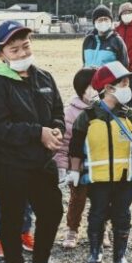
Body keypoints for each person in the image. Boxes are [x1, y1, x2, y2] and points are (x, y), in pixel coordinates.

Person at [0, 20, 72, 263]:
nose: (22, 54)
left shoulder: (43, 77)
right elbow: (0, 127)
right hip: (10, 161)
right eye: (14, 50)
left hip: (41, 160)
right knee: (12, 215)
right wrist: (38, 133)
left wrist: (55, 130)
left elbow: (57, 110)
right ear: (1, 54)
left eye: (25, 46)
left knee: (52, 209)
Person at [68, 62, 132, 263]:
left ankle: (120, 256)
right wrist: (74, 171)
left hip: (124, 178)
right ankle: (95, 253)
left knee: (123, 214)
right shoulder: (87, 117)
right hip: (98, 179)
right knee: (97, 213)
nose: (127, 85)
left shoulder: (131, 115)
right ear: (108, 88)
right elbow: (75, 146)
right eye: (123, 82)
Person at [54, 68, 97, 249]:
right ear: (81, 90)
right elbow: (63, 145)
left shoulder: (107, 109)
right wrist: (63, 167)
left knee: (102, 200)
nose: (97, 91)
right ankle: (72, 230)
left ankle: (101, 230)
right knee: (77, 198)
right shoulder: (70, 113)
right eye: (92, 87)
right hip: (77, 167)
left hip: (100, 165)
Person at [114, 3, 132, 110]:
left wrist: (125, 61)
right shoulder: (117, 29)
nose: (127, 15)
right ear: (120, 15)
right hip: (119, 68)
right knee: (118, 90)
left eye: (129, 12)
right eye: (124, 13)